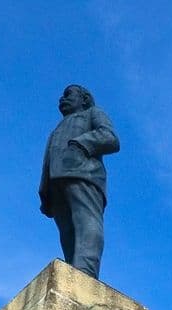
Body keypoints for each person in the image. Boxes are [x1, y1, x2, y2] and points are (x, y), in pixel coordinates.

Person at [39, 84, 119, 278]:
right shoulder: (57, 128)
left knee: (87, 223)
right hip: (56, 180)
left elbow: (110, 137)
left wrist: (81, 144)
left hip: (84, 174)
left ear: (84, 99)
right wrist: (45, 187)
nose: (62, 98)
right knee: (67, 232)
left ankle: (85, 272)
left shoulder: (93, 113)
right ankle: (73, 272)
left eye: (68, 94)